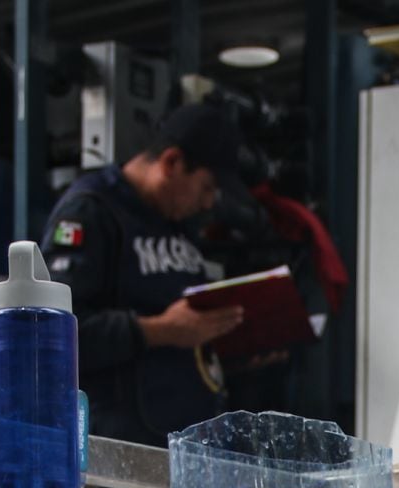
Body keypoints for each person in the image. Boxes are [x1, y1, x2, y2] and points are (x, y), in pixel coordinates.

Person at [42, 103, 247, 444]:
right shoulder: (91, 210)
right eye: (207, 187)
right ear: (172, 163)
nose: (209, 203)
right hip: (116, 458)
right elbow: (55, 333)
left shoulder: (176, 220)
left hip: (183, 451)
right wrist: (157, 331)